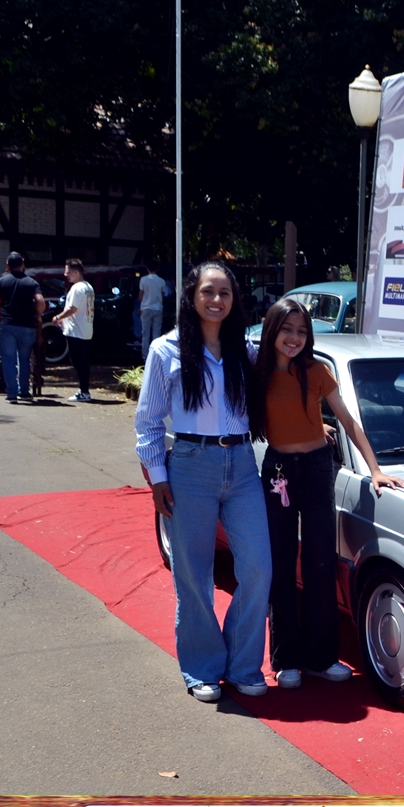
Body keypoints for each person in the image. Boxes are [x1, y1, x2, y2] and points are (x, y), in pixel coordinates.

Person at [135, 261, 272, 702]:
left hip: (242, 465)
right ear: (192, 296)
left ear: (234, 300)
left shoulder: (245, 350)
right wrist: (157, 477)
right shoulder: (166, 350)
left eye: (225, 293)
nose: (216, 300)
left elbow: (286, 378)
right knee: (193, 575)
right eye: (208, 292)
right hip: (190, 466)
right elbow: (148, 422)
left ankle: (243, 665)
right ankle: (202, 668)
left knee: (258, 568)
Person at [253, 298, 404, 689]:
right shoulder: (258, 373)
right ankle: (286, 659)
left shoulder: (316, 371)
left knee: (320, 561)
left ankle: (322, 658)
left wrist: (375, 470)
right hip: (279, 472)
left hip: (318, 469)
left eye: (302, 332)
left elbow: (348, 421)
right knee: (281, 562)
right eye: (287, 330)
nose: (294, 338)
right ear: (272, 331)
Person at [0, 252, 46, 403]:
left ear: (7, 266)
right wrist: (38, 315)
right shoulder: (31, 282)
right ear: (23, 265)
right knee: (24, 359)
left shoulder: (1, 281)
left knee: (8, 359)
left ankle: (11, 394)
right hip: (27, 325)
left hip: (7, 325)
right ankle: (24, 391)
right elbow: (40, 301)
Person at [53, 258, 95, 402]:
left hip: (76, 331)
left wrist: (58, 317)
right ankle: (84, 390)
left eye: (67, 271)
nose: (65, 274)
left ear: (76, 272)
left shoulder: (77, 288)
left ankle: (84, 391)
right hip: (86, 329)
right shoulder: (88, 287)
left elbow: (72, 308)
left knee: (78, 362)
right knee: (83, 362)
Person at [137, 265, 169, 353]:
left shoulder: (143, 279)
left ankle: (145, 355)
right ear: (157, 269)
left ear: (147, 268)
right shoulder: (162, 281)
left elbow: (140, 296)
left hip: (146, 308)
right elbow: (163, 296)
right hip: (158, 308)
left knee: (145, 334)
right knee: (156, 333)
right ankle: (156, 354)